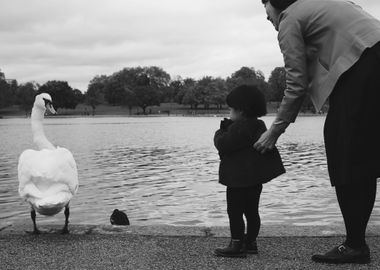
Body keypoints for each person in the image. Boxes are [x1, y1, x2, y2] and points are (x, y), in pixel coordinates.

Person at [256, 0, 380, 264]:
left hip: (364, 67)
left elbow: (296, 82)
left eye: (267, 13)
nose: (269, 20)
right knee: (366, 157)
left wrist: (275, 131)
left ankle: (355, 245)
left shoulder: (289, 18)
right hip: (373, 56)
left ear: (276, 5)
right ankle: (356, 243)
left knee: (343, 151)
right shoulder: (320, 2)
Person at [214, 85, 285, 258]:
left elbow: (223, 144)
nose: (229, 112)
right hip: (254, 180)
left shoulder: (239, 127)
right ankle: (251, 242)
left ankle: (236, 243)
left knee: (235, 212)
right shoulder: (260, 126)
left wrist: (220, 131)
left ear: (241, 111)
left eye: (231, 109)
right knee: (252, 211)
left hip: (237, 180)